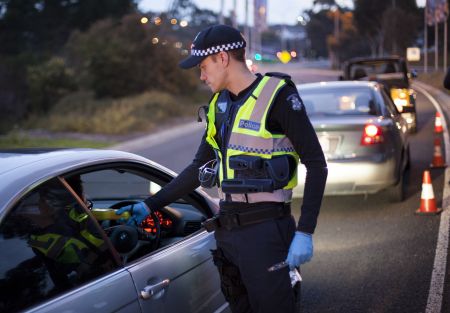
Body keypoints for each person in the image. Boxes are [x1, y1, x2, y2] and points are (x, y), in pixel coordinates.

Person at [116, 24, 327, 313]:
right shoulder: (219, 105)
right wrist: (151, 204)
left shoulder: (278, 96)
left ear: (223, 59)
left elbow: (316, 164)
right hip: (228, 233)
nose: (201, 76)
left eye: (203, 66)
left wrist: (305, 231)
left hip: (266, 231)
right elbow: (198, 168)